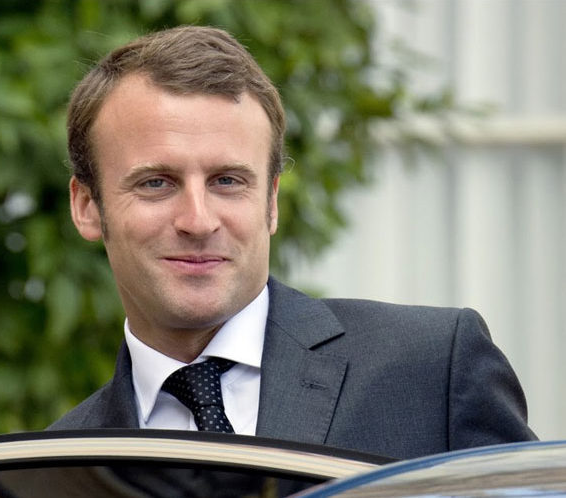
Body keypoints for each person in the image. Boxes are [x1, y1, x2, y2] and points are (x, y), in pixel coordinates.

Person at [50, 25, 536, 459]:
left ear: (271, 202)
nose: (198, 221)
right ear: (87, 206)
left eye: (228, 181)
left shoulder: (433, 369)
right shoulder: (53, 467)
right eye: (156, 183)